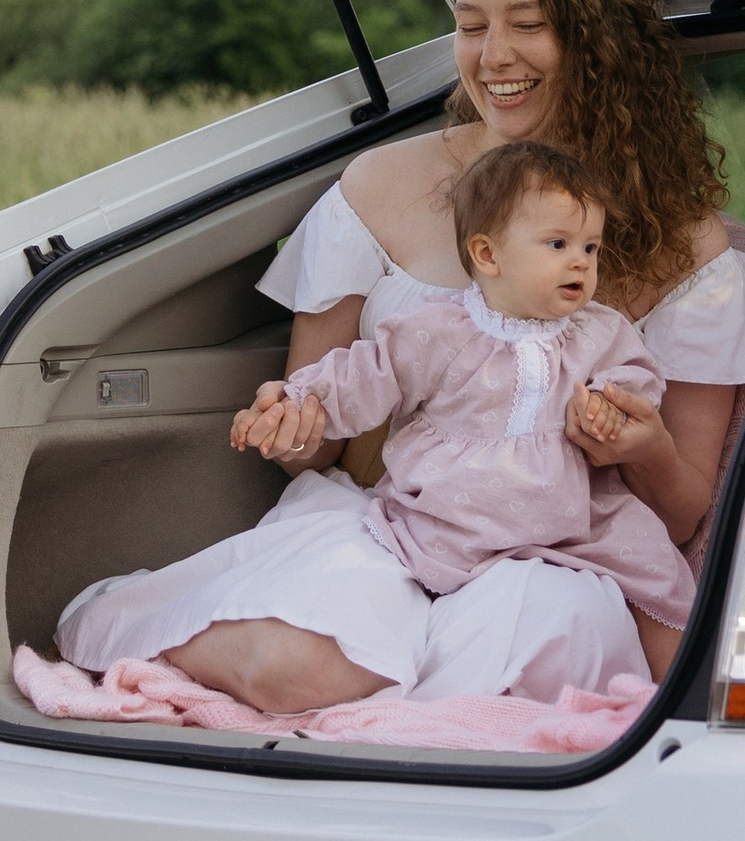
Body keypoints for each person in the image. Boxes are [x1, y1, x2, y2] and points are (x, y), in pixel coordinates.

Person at [54, 0, 745, 715]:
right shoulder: (380, 185)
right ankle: (136, 624)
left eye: (528, 23)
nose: (494, 54)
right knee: (303, 669)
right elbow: (316, 441)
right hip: (383, 522)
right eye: (472, 25)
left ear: (596, 37)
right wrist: (293, 425)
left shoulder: (685, 247)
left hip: (559, 553)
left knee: (537, 651)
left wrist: (635, 448)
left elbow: (682, 514)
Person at [229, 138, 695, 681]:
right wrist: (297, 401)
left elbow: (635, 376)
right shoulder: (439, 327)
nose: (580, 261)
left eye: (591, 248)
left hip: (572, 519)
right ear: (488, 254)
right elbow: (365, 375)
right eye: (558, 243)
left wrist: (612, 406)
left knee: (661, 581)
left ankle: (679, 699)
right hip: (449, 517)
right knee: (379, 599)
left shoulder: (599, 330)